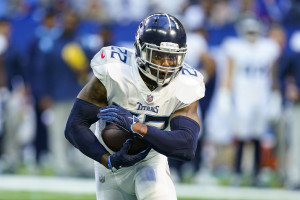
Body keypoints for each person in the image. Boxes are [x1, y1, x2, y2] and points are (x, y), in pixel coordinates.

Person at [65, 13, 205, 200]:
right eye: (158, 56)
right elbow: (75, 124)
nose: (165, 64)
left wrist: (138, 128)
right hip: (111, 161)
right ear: (140, 49)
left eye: (172, 58)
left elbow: (187, 147)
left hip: (151, 160)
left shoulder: (186, 84)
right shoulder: (115, 71)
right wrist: (108, 159)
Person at [221, 15, 281, 186]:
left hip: (261, 96)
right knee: (240, 136)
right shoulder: (235, 47)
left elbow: (273, 75)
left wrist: (275, 96)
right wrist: (225, 95)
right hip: (242, 97)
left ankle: (256, 173)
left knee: (258, 136)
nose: (251, 35)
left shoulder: (268, 48)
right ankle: (237, 172)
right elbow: (229, 73)